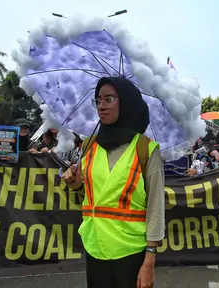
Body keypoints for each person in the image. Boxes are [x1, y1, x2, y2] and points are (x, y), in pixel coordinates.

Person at [62, 77, 165, 288]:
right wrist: (74, 184)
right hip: (94, 246)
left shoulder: (146, 149)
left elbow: (156, 207)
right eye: (98, 100)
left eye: (109, 99)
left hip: (130, 251)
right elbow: (90, 195)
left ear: (126, 102)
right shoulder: (90, 146)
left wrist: (150, 259)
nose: (102, 106)